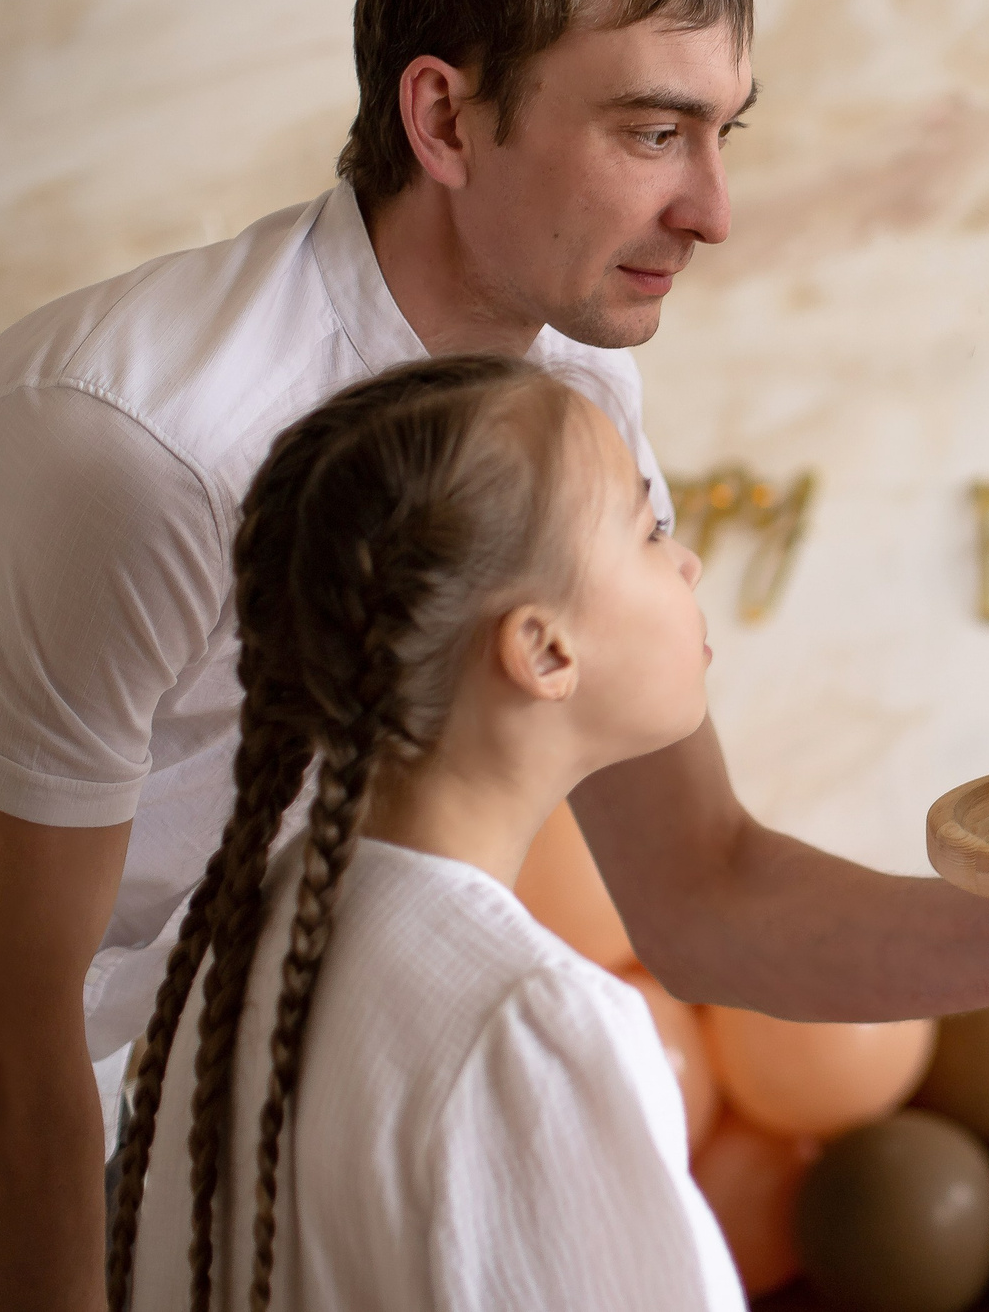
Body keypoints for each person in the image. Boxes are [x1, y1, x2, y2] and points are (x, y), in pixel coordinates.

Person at [0, 0, 989, 1312]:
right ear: (445, 115)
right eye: (652, 131)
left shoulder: (564, 377)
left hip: (169, 1050)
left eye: (726, 132)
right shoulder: (123, 447)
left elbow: (699, 892)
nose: (714, 208)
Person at [116, 354, 745, 1310]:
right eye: (649, 526)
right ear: (542, 648)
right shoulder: (529, 1025)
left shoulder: (244, 946)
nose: (688, 557)